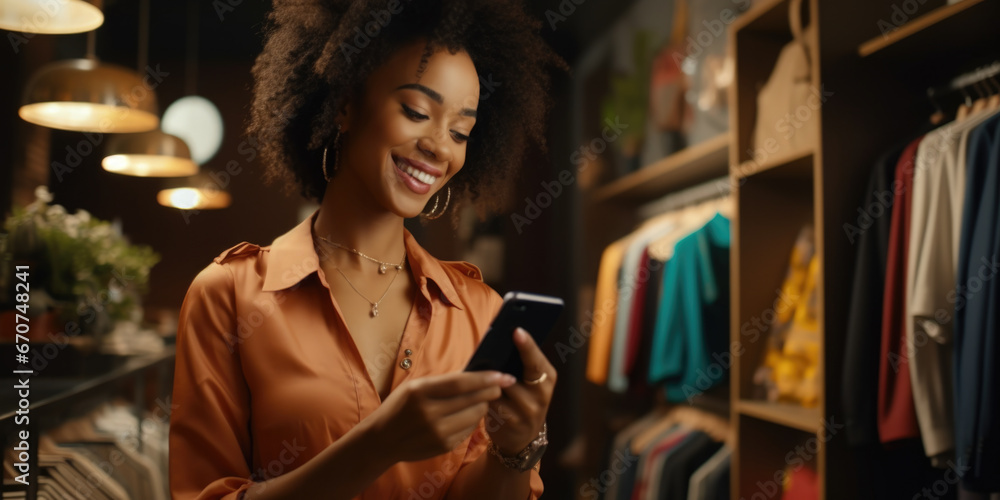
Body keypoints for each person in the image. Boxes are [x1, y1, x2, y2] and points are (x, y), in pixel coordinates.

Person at [167, 0, 567, 499]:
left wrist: (516, 448)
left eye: (461, 131)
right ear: (345, 103)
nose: (440, 148)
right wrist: (376, 444)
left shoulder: (477, 311)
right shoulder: (228, 297)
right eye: (417, 111)